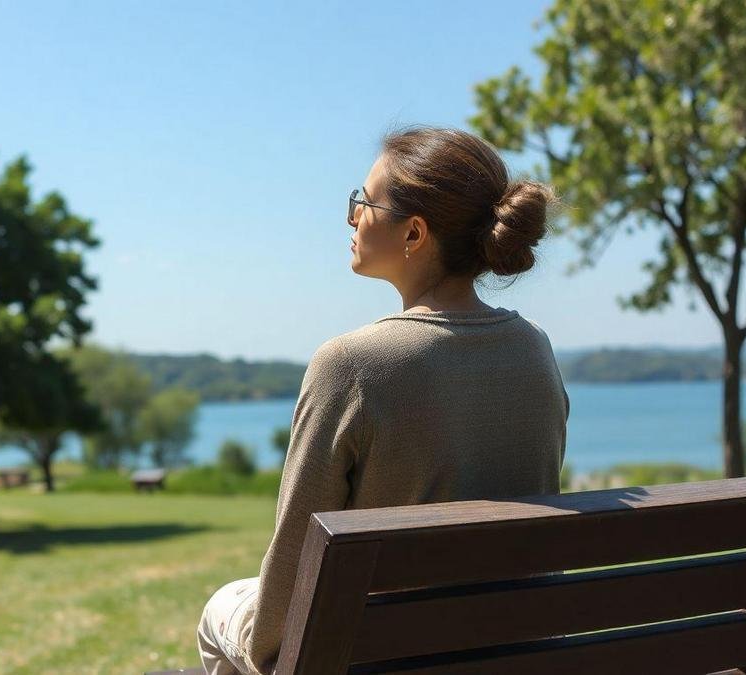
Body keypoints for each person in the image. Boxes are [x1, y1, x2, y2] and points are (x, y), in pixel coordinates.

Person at [196, 125, 571, 675]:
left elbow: (290, 579)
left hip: (373, 657)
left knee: (223, 609)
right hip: (512, 649)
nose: (352, 217)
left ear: (414, 234)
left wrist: (262, 647)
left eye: (363, 202)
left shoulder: (351, 365)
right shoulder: (535, 350)